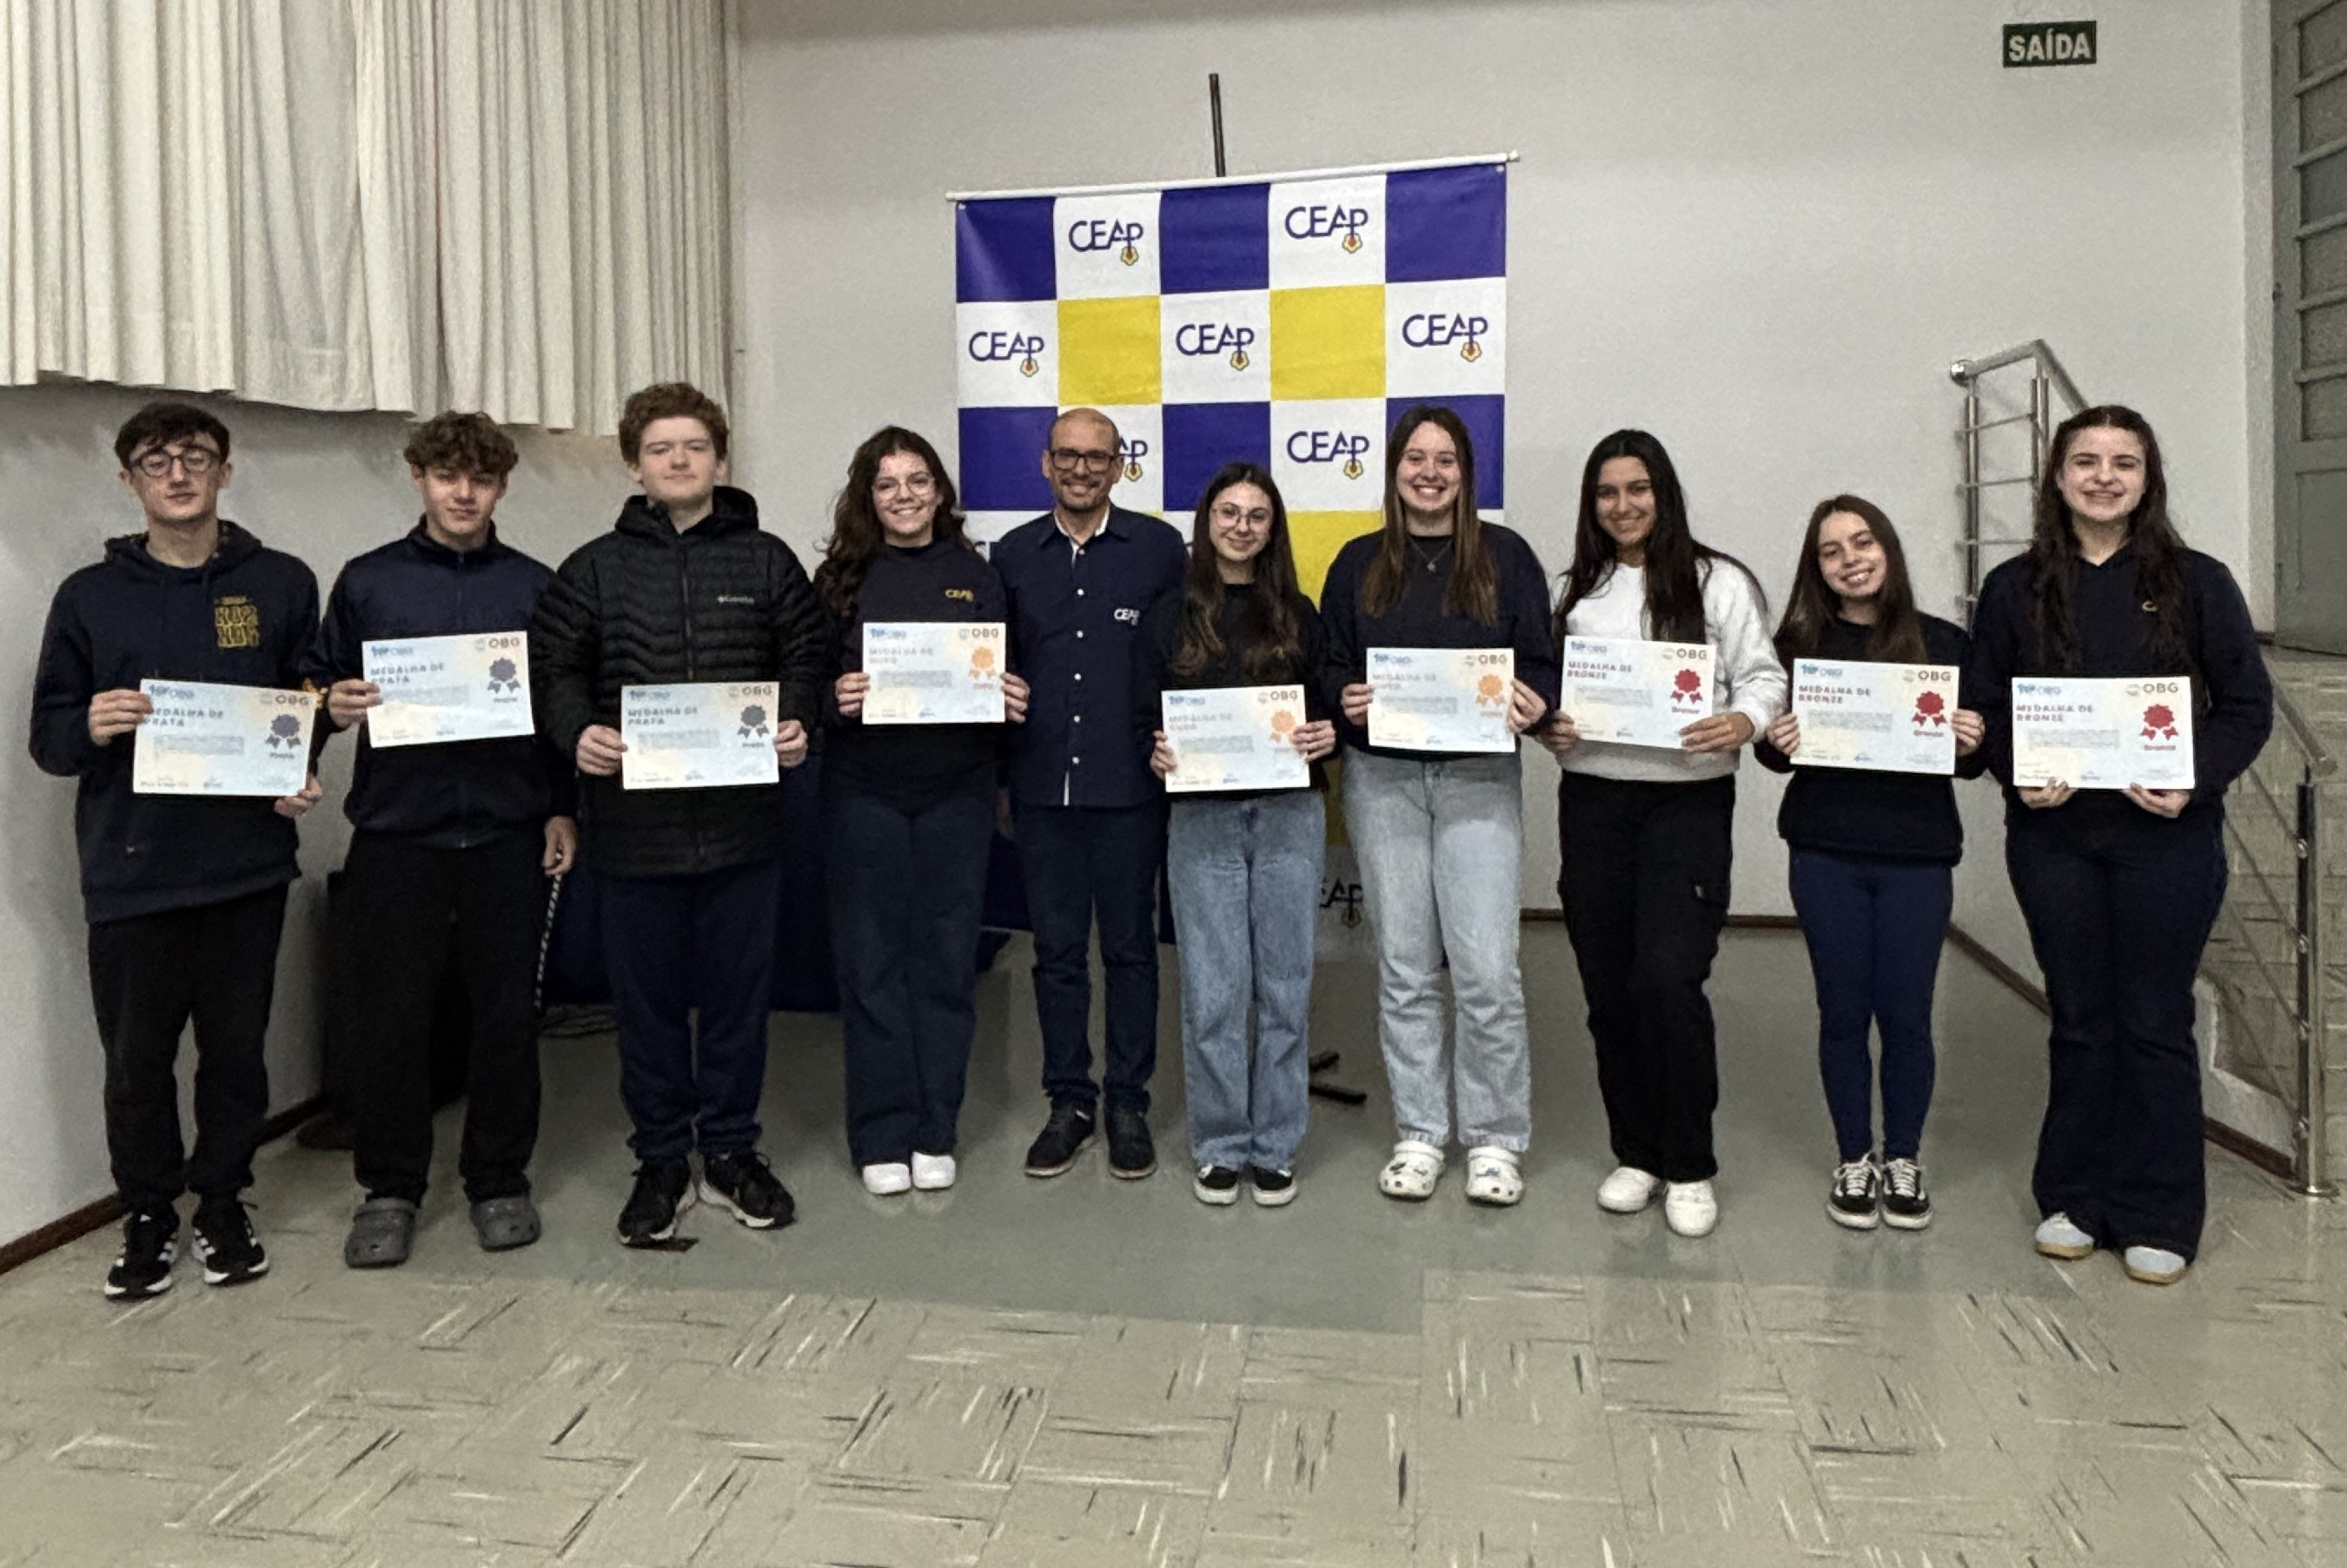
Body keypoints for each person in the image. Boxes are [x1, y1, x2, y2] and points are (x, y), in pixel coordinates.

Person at [1966, 405, 2271, 1287]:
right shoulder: (2013, 586)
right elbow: (1984, 709)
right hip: (2053, 839)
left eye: (2123, 462)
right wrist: (2016, 769)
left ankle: (2159, 1210)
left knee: (2153, 1019)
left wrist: (2193, 778)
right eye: (2086, 461)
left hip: (2166, 841)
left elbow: (2245, 707)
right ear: (2057, 477)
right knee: (2078, 1017)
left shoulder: (2198, 581)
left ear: (2147, 478)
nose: (2103, 477)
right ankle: (2072, 1198)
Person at [29, 401, 324, 1299]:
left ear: (226, 471)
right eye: (156, 460)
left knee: (236, 1055)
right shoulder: (88, 596)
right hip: (134, 870)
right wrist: (89, 722)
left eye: (196, 455)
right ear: (129, 481)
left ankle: (224, 1200)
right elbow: (48, 738)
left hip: (246, 867)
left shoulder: (281, 581)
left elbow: (303, 704)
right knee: (136, 1064)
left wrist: (300, 768)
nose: (179, 473)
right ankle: (149, 1212)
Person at [529, 382, 829, 1247]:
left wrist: (797, 717)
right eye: (660, 448)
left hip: (744, 828)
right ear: (634, 464)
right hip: (633, 834)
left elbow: (806, 653)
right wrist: (576, 730)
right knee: (648, 1008)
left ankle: (731, 1149)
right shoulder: (593, 568)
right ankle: (661, 1157)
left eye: (694, 446)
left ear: (719, 459)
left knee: (738, 1003)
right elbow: (554, 668)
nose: (678, 460)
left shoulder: (767, 560)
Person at [306, 412, 577, 1267]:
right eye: (447, 476)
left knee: (506, 1016)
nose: (464, 494)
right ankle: (390, 1188)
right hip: (398, 830)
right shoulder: (369, 581)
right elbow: (314, 684)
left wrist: (561, 807)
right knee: (391, 1019)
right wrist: (330, 705)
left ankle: (498, 1178)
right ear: (419, 478)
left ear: (502, 487)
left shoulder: (536, 586)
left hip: (507, 830)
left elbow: (559, 710)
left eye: (481, 480)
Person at [1540, 430, 1785, 1240]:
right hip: (1594, 803)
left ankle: (1688, 1162)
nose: (1623, 506)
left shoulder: (1718, 581)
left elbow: (1764, 676)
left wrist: (1742, 720)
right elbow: (1549, 694)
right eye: (1607, 492)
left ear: (1663, 493)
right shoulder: (1577, 590)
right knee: (1607, 987)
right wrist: (1550, 726)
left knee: (1669, 980)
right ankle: (1635, 1152)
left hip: (1686, 807)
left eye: (1637, 489)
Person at [1319, 405, 1558, 1207]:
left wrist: (1534, 698)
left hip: (1478, 779)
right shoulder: (1358, 562)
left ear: (1465, 472)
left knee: (1487, 970)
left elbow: (1542, 662)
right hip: (1382, 781)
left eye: (1445, 459)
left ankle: (1494, 1138)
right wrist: (1343, 694)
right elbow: (1328, 663)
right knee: (1405, 968)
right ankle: (1420, 1131)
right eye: (1415, 459)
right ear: (1394, 471)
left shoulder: (1506, 556)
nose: (1429, 472)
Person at [1754, 496, 1986, 1232]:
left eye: (1862, 542)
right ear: (1815, 568)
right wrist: (1775, 739)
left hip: (1916, 853)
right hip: (1824, 850)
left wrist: (1972, 738)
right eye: (1831, 551)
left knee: (1907, 1012)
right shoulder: (1795, 646)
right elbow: (1769, 753)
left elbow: (1970, 763)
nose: (1850, 559)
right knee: (1843, 1009)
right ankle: (1853, 1155)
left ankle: (1904, 1157)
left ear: (1887, 548)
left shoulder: (1943, 643)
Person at [817, 427, 1030, 1197]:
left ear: (939, 491)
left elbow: (1003, 680)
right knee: (871, 964)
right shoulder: (838, 580)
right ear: (866, 497)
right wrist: (833, 698)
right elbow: (803, 687)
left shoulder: (977, 577)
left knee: (944, 962)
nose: (903, 496)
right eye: (887, 484)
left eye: (917, 481)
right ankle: (881, 1132)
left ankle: (936, 1126)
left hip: (957, 793)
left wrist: (1010, 698)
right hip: (864, 793)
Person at [1136, 463, 1338, 1207]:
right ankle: (1221, 1144)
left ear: (1272, 527)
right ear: (1206, 522)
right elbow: (1141, 716)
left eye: (1256, 515)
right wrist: (1154, 750)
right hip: (1201, 819)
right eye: (1228, 512)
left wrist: (1327, 734)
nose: (1241, 526)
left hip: (1288, 815)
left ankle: (1275, 1144)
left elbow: (1328, 707)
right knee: (1214, 991)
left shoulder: (1299, 613)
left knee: (1284, 986)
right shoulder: (1169, 613)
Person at [993, 407, 1188, 1181]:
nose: (1081, 469)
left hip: (1130, 785)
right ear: (1046, 463)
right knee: (1057, 954)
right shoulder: (1012, 554)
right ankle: (1069, 1101)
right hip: (1042, 786)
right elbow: (994, 666)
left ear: (1120, 465)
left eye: (1097, 457)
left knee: (1131, 950)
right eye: (1067, 456)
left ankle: (1127, 1101)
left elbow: (1186, 655)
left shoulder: (1159, 550)